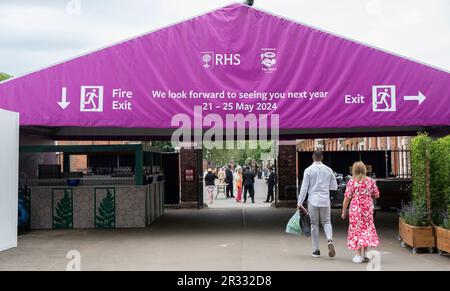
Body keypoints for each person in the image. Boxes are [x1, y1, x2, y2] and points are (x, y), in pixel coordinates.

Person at [298, 150, 338, 258]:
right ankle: (329, 239)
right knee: (327, 221)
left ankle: (316, 250)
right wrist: (325, 186)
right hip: (325, 199)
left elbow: (304, 188)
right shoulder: (329, 170)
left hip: (313, 200)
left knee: (314, 224)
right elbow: (334, 187)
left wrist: (300, 202)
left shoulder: (308, 170)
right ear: (322, 158)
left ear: (313, 157)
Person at [342, 161, 380, 264]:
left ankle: (358, 256)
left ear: (354, 170)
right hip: (367, 208)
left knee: (356, 230)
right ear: (364, 170)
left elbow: (347, 198)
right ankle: (366, 253)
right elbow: (377, 195)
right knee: (366, 229)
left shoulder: (352, 182)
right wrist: (368, 195)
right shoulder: (371, 181)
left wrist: (344, 211)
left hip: (355, 209)